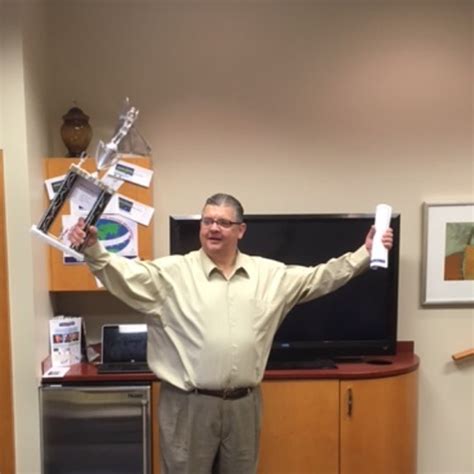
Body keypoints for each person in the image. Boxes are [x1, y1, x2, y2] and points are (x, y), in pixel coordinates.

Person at [68, 193, 393, 474]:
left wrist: (364, 254)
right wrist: (93, 250)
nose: (213, 228)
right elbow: (124, 273)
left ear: (240, 230)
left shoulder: (269, 275)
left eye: (223, 222)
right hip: (188, 406)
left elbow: (319, 277)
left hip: (244, 406)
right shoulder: (171, 273)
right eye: (208, 221)